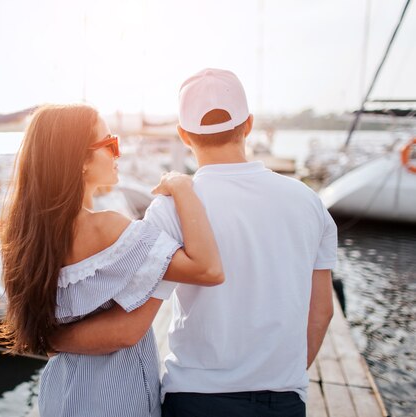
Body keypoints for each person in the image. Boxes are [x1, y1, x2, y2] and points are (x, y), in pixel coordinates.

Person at [50, 69, 337, 417]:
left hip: (196, 398)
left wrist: (46, 338)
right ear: (248, 125)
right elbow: (321, 312)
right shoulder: (308, 202)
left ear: (184, 135)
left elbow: (131, 325)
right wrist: (284, 378)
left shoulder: (170, 209)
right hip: (282, 399)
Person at [0, 103, 224, 417]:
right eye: (109, 144)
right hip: (115, 400)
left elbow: (46, 337)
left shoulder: (26, 238)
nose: (119, 152)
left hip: (61, 397)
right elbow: (207, 268)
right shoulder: (105, 227)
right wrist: (182, 186)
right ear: (80, 162)